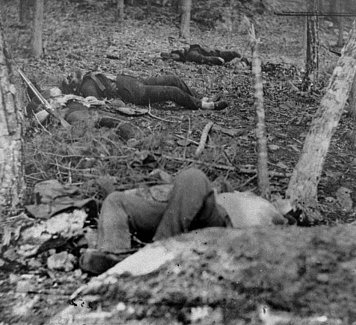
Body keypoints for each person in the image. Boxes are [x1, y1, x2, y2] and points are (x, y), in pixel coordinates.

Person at [80, 168, 232, 274]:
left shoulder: (231, 200)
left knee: (193, 176)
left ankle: (157, 253)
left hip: (210, 228)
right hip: (173, 216)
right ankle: (112, 259)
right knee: (115, 200)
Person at [61, 71, 228, 110]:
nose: (70, 75)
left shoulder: (87, 76)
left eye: (68, 75)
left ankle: (203, 97)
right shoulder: (86, 86)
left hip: (136, 82)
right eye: (69, 79)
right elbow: (96, 103)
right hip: (135, 93)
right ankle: (204, 105)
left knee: (173, 78)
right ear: (74, 86)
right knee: (172, 91)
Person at [161, 44, 251, 67]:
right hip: (215, 56)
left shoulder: (190, 51)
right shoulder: (190, 55)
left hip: (215, 53)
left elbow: (203, 57)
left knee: (234, 54)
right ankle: (244, 63)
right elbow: (202, 58)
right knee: (232, 55)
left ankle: (245, 62)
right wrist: (215, 59)